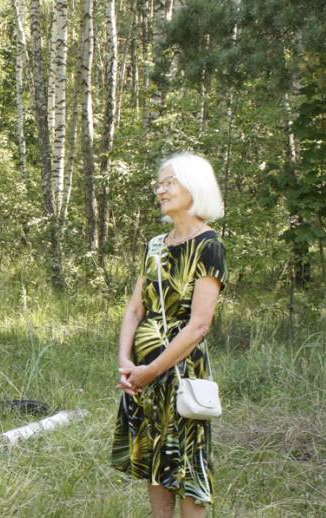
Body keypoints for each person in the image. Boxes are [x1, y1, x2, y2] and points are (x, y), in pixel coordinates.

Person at [111, 152, 228, 517]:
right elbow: (134, 309)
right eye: (159, 183)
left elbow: (199, 325)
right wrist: (126, 362)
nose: (160, 189)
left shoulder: (209, 246)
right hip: (144, 372)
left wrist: (153, 369)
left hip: (181, 370)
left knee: (188, 464)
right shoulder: (156, 245)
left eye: (169, 182)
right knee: (155, 461)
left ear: (194, 186)